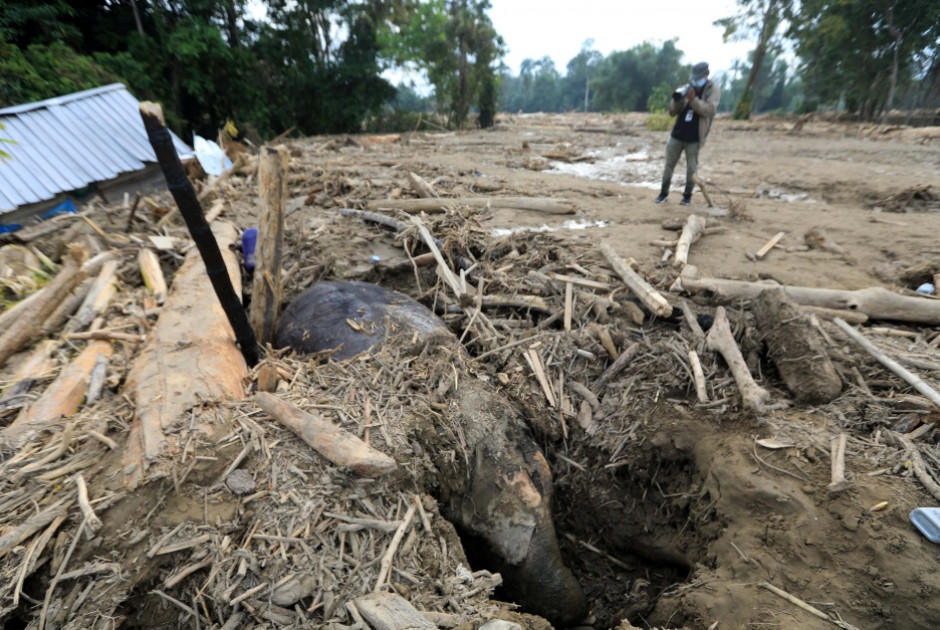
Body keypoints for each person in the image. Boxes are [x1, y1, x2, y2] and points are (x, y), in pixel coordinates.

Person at [655, 61, 720, 206]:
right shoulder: (687, 87)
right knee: (668, 165)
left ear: (706, 74)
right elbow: (672, 112)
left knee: (692, 169)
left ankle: (687, 197)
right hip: (677, 133)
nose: (695, 80)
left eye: (698, 77)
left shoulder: (713, 90)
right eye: (694, 77)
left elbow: (708, 110)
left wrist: (693, 100)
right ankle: (663, 193)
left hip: (695, 137)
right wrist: (677, 100)